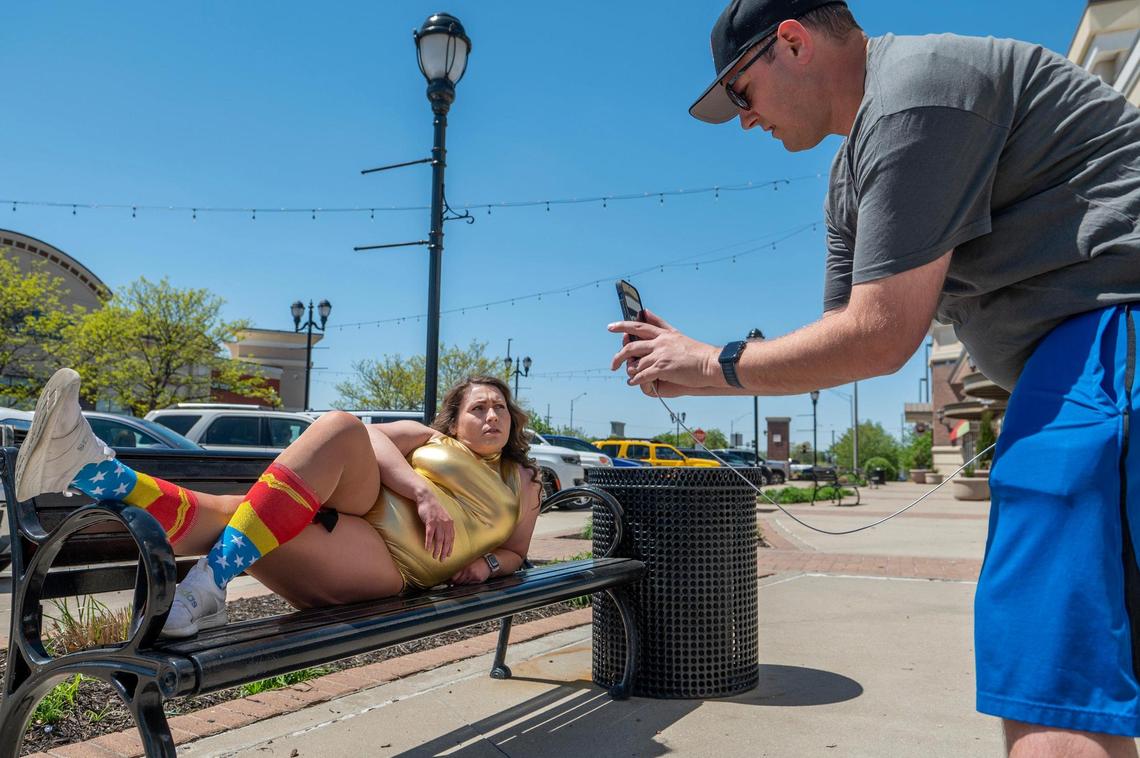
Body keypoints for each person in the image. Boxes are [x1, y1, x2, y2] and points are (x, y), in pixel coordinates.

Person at [609, 1, 1140, 755]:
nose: (743, 121)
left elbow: (883, 336)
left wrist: (709, 362)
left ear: (790, 43)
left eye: (738, 93)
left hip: (1109, 341)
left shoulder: (917, 91)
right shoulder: (847, 177)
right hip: (1077, 364)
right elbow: (842, 343)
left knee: (1052, 693)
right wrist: (695, 373)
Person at [15, 369, 541, 638]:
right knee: (339, 424)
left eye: (500, 407)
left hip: (391, 561)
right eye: (478, 407)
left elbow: (517, 551)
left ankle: (91, 470)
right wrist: (422, 490)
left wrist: (488, 564)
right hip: (368, 504)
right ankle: (208, 583)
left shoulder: (525, 479)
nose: (492, 415)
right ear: (456, 419)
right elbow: (372, 439)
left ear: (513, 419)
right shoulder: (429, 438)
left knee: (230, 518)